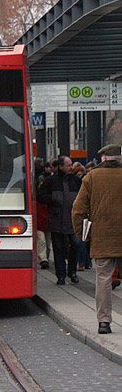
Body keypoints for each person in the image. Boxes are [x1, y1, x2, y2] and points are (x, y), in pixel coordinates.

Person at [72, 143, 122, 334]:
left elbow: (78, 210)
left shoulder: (92, 177)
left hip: (102, 237)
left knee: (103, 279)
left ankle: (104, 322)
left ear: (104, 159)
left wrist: (82, 234)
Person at [37, 156, 81, 285]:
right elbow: (40, 196)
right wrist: (52, 199)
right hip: (57, 219)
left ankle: (72, 271)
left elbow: (83, 196)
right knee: (58, 248)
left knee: (75, 245)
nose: (71, 167)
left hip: (73, 219)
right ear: (61, 166)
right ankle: (61, 275)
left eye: (71, 165)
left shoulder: (76, 181)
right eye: (68, 165)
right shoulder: (51, 181)